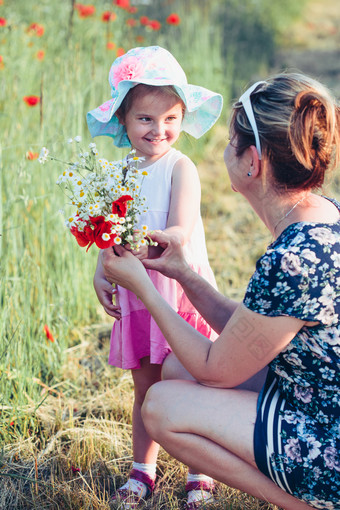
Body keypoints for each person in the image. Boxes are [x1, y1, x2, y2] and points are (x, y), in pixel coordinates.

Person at [98, 71, 340, 510]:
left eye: (231, 142)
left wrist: (145, 288)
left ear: (253, 162)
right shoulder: (322, 216)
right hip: (319, 393)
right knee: (174, 373)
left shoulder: (295, 257)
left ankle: (303, 505)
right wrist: (184, 274)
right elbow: (255, 331)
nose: (223, 150)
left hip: (327, 436)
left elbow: (215, 369)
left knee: (162, 406)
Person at [87, 46, 223, 508]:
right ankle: (142, 469)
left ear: (183, 116)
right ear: (123, 120)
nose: (158, 130)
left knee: (186, 383)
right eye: (145, 119)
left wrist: (146, 248)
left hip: (178, 292)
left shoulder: (180, 168)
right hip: (139, 296)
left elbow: (180, 232)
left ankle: (199, 471)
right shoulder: (120, 171)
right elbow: (106, 232)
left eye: (170, 118)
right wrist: (103, 270)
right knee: (145, 387)